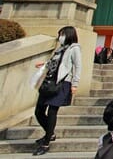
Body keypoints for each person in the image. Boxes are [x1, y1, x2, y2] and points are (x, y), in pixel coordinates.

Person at [32, 26, 82, 156]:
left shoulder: (75, 49)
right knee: (39, 111)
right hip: (49, 82)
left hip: (62, 83)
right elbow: (54, 63)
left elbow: (78, 66)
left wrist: (75, 84)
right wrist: (44, 65)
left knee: (52, 111)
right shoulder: (59, 49)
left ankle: (46, 142)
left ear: (69, 35)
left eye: (62, 34)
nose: (60, 37)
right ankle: (50, 133)